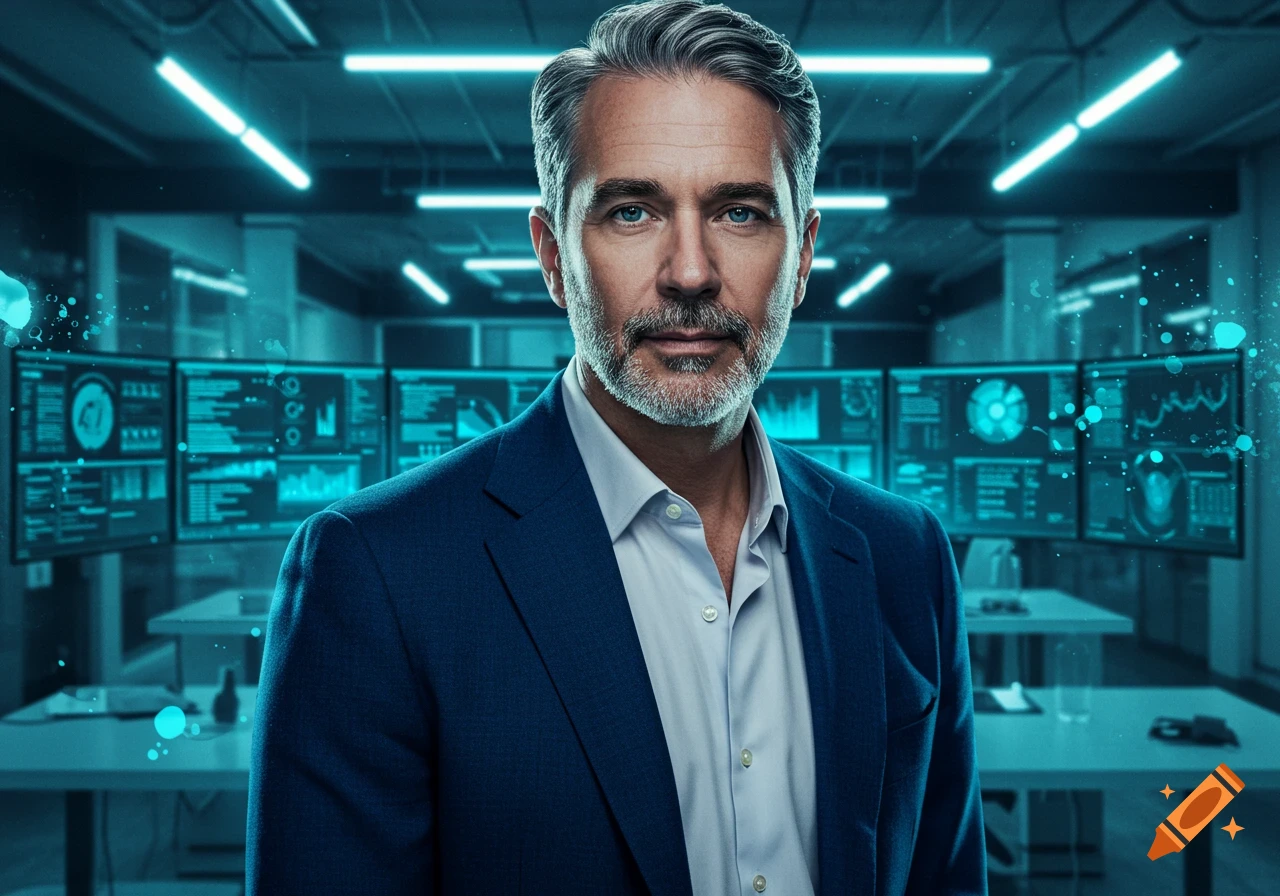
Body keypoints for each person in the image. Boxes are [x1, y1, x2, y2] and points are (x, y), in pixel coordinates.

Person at [245, 1, 986, 893]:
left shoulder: (905, 556)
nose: (689, 272)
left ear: (803, 254)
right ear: (553, 254)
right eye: (631, 211)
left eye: (742, 212)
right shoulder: (377, 572)